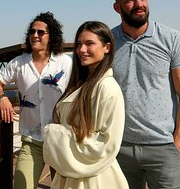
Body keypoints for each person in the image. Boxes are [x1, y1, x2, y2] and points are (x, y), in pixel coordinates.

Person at [111, 0, 180, 189]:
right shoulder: (108, 41)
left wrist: (178, 139)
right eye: (130, 0)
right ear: (117, 7)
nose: (138, 4)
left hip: (164, 146)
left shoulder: (171, 39)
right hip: (118, 145)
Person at [0, 12, 73, 189]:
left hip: (60, 139)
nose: (35, 35)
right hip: (31, 141)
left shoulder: (66, 63)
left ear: (52, 37)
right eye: (32, 32)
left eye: (41, 32)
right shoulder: (19, 63)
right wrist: (3, 97)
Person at [43, 21, 128, 189]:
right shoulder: (82, 84)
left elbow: (105, 145)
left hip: (94, 179)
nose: (82, 50)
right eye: (79, 44)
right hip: (72, 175)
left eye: (90, 43)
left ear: (107, 47)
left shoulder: (106, 88)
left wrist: (53, 134)